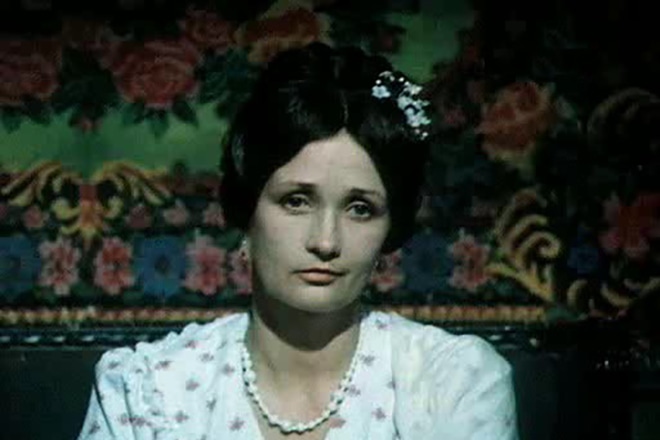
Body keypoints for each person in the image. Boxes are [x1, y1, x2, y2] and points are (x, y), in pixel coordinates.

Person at [78, 43, 518, 440]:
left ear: (390, 228)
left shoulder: (452, 383)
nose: (325, 241)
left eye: (360, 208)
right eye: (296, 201)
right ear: (248, 210)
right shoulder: (148, 390)